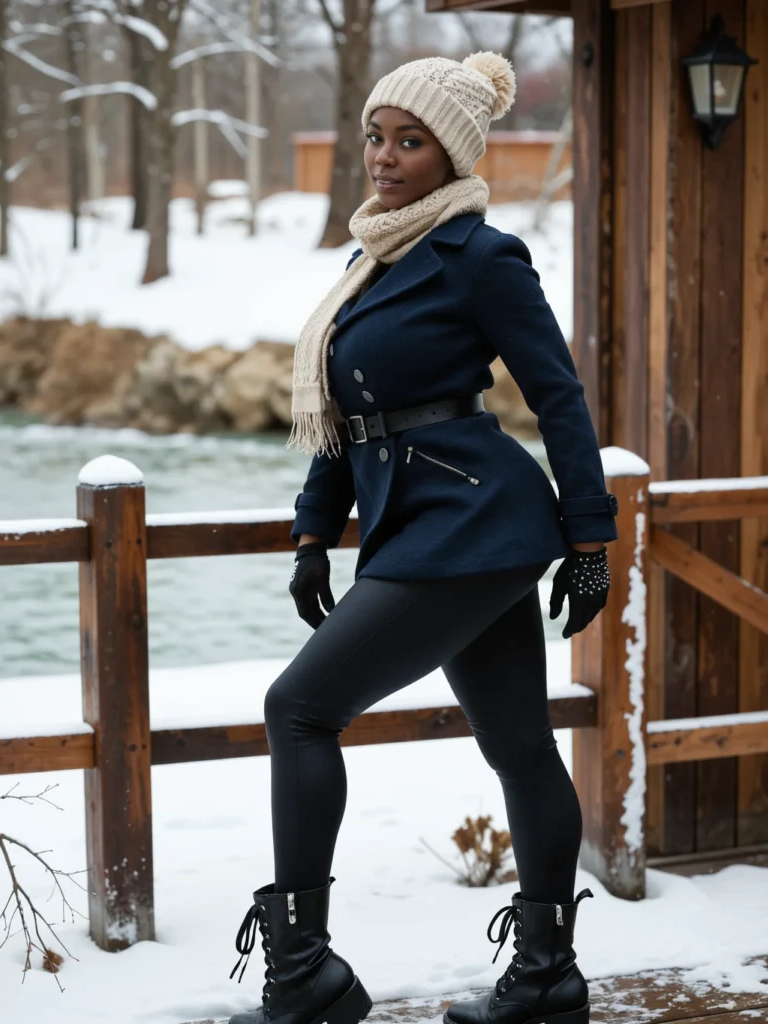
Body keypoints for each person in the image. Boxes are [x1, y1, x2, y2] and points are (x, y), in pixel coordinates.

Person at [228, 52, 618, 1024]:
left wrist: (589, 533)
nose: (385, 157)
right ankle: (544, 980)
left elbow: (557, 396)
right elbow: (345, 412)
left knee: (299, 708)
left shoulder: (478, 255)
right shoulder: (368, 263)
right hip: (424, 528)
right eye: (375, 135)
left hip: (473, 524)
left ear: (451, 156)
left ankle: (304, 971)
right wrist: (314, 531)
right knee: (520, 745)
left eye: (410, 141)